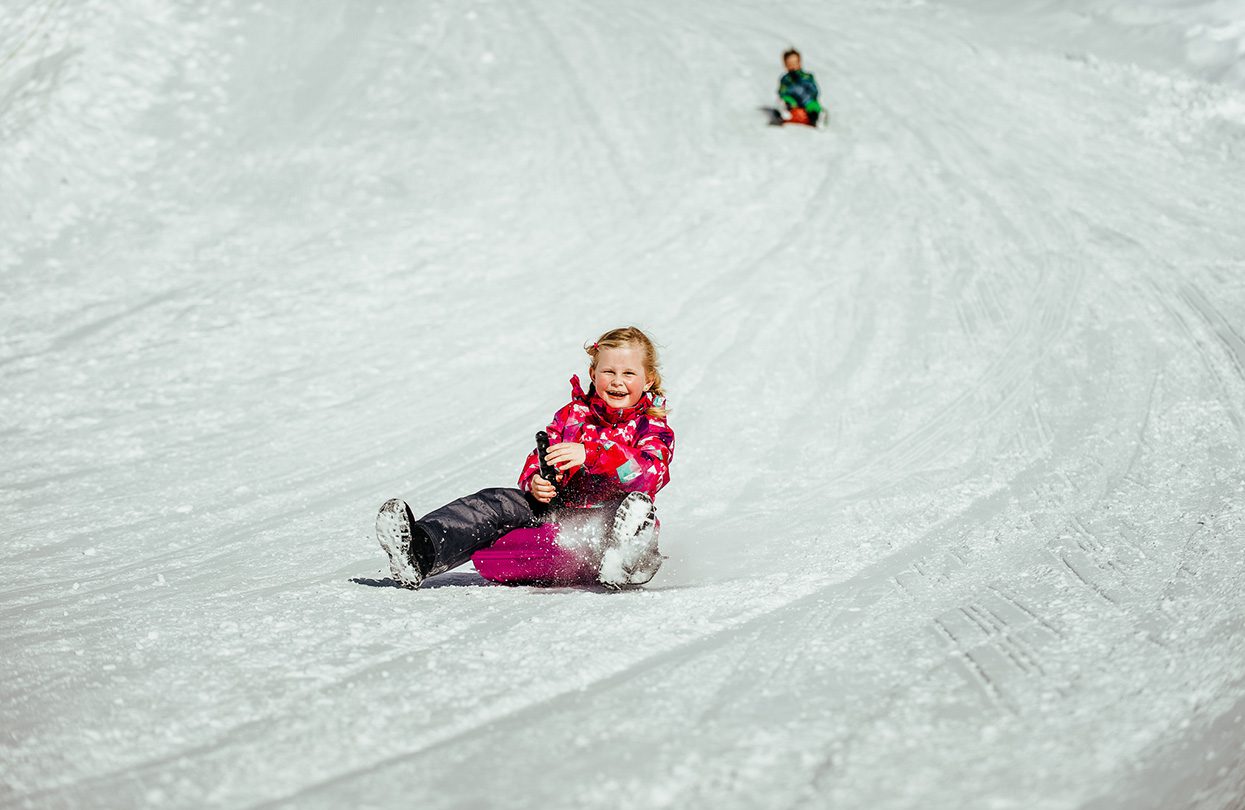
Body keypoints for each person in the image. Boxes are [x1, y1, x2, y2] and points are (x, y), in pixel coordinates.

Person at [375, 326, 675, 589]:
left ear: (647, 380)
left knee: (633, 508)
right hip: (560, 511)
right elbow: (540, 457)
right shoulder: (573, 416)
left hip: (611, 516)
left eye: (628, 373)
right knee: (495, 502)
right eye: (608, 372)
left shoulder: (652, 426)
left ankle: (625, 560)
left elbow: (650, 474)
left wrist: (594, 453)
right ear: (593, 375)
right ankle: (421, 551)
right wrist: (536, 480)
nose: (617, 381)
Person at [777, 48, 822, 126]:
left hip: (807, 102)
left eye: (795, 63)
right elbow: (782, 92)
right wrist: (788, 99)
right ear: (785, 65)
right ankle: (784, 113)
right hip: (793, 103)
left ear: (799, 63)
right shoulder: (785, 79)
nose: (793, 66)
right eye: (790, 64)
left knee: (813, 105)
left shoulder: (806, 77)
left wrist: (802, 80)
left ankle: (815, 117)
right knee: (784, 102)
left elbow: (814, 91)